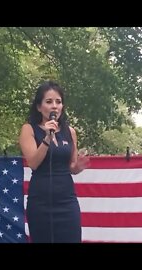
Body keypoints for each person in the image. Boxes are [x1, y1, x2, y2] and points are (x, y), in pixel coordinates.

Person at [19, 80, 90, 243]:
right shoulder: (29, 129)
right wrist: (47, 138)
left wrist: (77, 167)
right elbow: (34, 163)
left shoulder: (70, 132)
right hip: (41, 201)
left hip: (66, 200)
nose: (54, 106)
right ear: (39, 106)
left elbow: (71, 166)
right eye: (49, 101)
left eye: (58, 102)